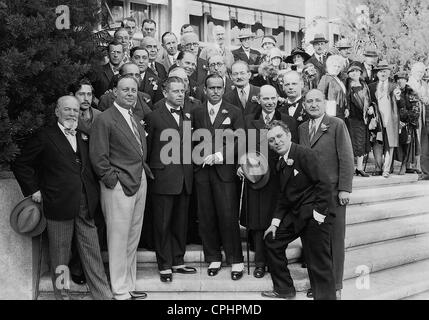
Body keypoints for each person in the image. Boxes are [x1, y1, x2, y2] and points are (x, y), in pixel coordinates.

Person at [12, 96, 113, 300]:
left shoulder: (85, 135)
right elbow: (21, 164)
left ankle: (103, 295)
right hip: (58, 205)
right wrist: (34, 190)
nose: (72, 114)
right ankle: (63, 296)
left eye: (75, 110)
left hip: (85, 204)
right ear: (57, 111)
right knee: (61, 257)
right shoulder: (44, 136)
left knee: (92, 252)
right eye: (67, 109)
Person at [90, 76, 154, 300]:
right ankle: (119, 289)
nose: (130, 93)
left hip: (139, 180)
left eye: (133, 90)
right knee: (118, 238)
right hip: (118, 185)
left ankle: (128, 284)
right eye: (125, 89)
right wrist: (112, 180)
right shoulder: (105, 119)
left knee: (132, 236)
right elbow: (98, 157)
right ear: (114, 92)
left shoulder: (135, 117)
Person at [261, 120, 336, 300]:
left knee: (318, 262)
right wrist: (275, 223)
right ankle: (284, 289)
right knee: (272, 241)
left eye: (279, 136)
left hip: (314, 215)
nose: (276, 142)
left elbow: (324, 184)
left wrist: (318, 216)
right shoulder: (279, 161)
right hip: (296, 215)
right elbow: (283, 196)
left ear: (289, 136)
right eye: (271, 140)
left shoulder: (304, 154)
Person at [299, 89, 354, 299]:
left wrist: (344, 188)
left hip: (332, 193)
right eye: (309, 101)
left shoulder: (336, 124)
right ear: (304, 105)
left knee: (334, 241)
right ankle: (319, 285)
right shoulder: (303, 128)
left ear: (325, 103)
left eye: (317, 101)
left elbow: (346, 158)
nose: (313, 104)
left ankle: (336, 287)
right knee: (314, 242)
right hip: (310, 195)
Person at [238, 85, 297, 279]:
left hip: (279, 179)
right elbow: (241, 146)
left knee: (276, 219)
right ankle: (260, 263)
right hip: (256, 178)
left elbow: (294, 148)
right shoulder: (248, 121)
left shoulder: (287, 121)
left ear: (278, 99)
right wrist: (240, 165)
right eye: (266, 99)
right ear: (258, 100)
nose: (270, 102)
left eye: (273, 98)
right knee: (257, 221)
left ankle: (275, 261)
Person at [192, 74, 245, 280]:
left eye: (219, 88)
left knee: (228, 215)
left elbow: (241, 140)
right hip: (203, 171)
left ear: (224, 89)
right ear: (204, 90)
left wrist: (221, 155)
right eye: (211, 88)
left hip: (225, 172)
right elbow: (191, 141)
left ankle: (236, 260)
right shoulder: (196, 112)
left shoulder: (234, 111)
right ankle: (213, 256)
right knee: (206, 216)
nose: (215, 91)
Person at [145, 77, 197, 283]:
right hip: (163, 178)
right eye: (175, 91)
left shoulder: (187, 116)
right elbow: (147, 150)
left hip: (185, 178)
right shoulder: (153, 116)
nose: (180, 95)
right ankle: (164, 264)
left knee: (180, 223)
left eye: (182, 91)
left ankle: (178, 260)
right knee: (163, 224)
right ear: (165, 93)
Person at [368, 61, 400, 178]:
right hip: (377, 120)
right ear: (377, 73)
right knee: (377, 143)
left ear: (389, 73)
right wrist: (370, 107)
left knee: (390, 144)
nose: (383, 73)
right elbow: (369, 101)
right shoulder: (371, 86)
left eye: (385, 71)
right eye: (380, 71)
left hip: (390, 119)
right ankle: (378, 167)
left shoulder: (394, 86)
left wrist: (398, 97)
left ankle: (386, 169)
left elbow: (400, 103)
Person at [346, 64, 372, 177]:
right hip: (351, 117)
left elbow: (369, 100)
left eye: (357, 71)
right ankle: (350, 168)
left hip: (363, 117)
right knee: (351, 142)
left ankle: (360, 168)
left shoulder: (364, 85)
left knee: (361, 142)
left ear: (360, 73)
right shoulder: (346, 85)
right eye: (352, 71)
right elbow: (344, 99)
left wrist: (370, 107)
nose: (354, 73)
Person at [407, 62, 429, 177]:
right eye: (418, 72)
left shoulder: (425, 84)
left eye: (422, 72)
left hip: (423, 117)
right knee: (412, 141)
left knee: (422, 143)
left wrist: (426, 99)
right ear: (413, 72)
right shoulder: (408, 83)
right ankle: (412, 166)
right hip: (411, 117)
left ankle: (422, 168)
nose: (420, 74)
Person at [317, 55, 349, 121]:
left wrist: (346, 108)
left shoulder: (338, 79)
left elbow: (343, 95)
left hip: (341, 113)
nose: (337, 68)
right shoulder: (326, 78)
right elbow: (319, 95)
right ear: (329, 66)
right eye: (334, 66)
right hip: (331, 113)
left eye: (339, 66)